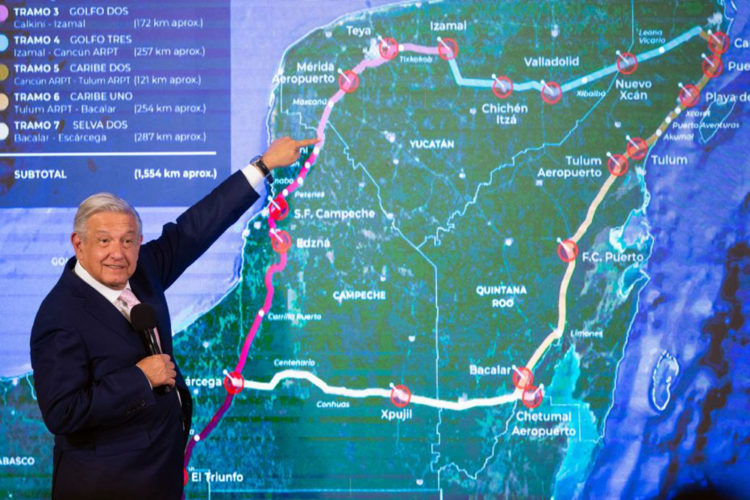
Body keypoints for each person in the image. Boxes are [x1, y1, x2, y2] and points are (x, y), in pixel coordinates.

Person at [30, 136, 318, 500]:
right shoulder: (60, 315)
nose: (118, 253)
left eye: (128, 240)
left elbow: (195, 228)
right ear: (78, 244)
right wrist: (141, 378)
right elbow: (63, 413)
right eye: (104, 241)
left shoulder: (143, 270)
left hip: (158, 478)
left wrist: (263, 165)